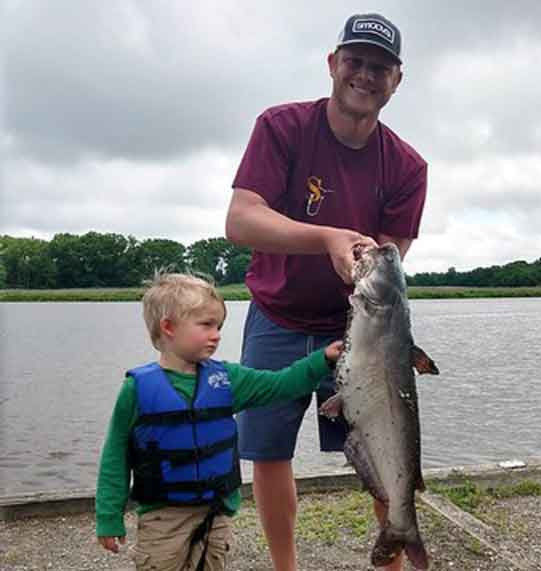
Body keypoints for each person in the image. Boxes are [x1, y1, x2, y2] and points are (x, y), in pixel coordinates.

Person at [224, 11, 427, 571]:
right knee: (267, 453)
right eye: (356, 61)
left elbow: (390, 261)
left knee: (382, 442)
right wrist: (327, 238)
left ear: (397, 79)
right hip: (277, 315)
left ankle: (392, 557)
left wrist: (364, 265)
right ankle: (284, 566)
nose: (365, 75)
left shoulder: (407, 165)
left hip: (359, 331)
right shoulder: (282, 127)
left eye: (380, 67)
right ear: (333, 64)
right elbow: (241, 220)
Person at [95, 273, 342, 571]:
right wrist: (109, 516)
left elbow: (281, 385)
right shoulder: (136, 389)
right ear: (169, 327)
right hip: (163, 519)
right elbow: (115, 456)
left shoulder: (228, 380)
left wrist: (322, 360)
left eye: (219, 326)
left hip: (216, 514)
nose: (217, 334)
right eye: (206, 325)